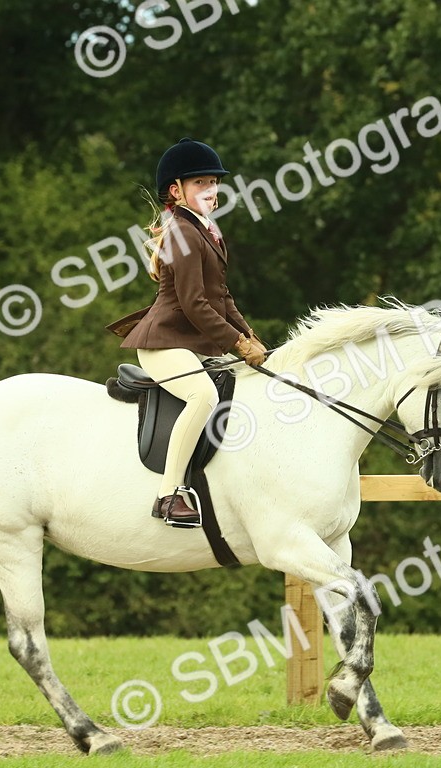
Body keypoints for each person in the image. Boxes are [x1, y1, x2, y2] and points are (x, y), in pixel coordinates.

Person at [106, 138, 266, 527]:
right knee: (203, 395)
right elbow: (195, 304)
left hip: (192, 340)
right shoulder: (181, 231)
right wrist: (237, 343)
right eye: (200, 183)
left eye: (214, 182)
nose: (211, 190)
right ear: (176, 191)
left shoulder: (206, 230)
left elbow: (222, 296)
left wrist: (251, 336)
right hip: (164, 343)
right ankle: (168, 494)